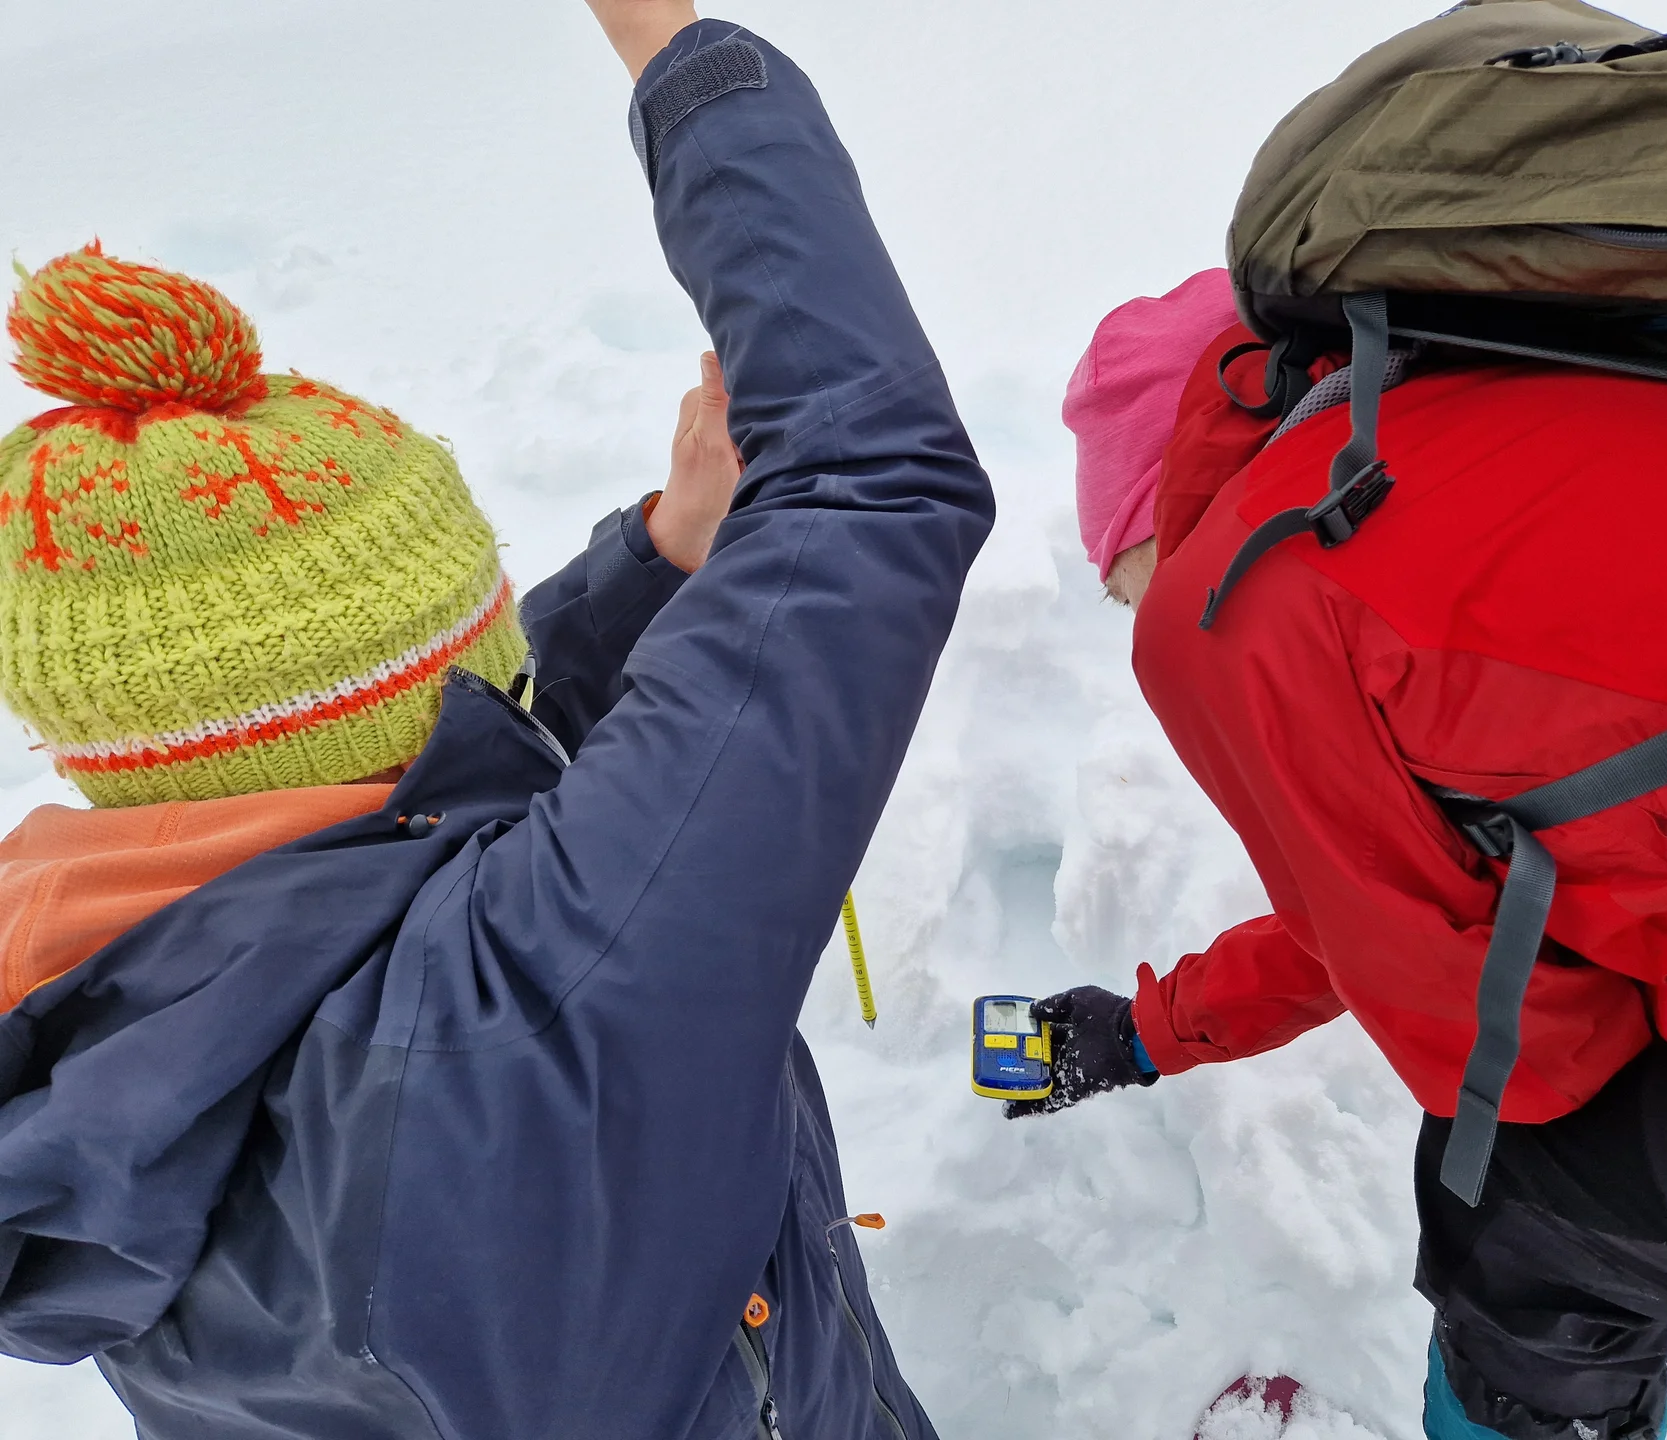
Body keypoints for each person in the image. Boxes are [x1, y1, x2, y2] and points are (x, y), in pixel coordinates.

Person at [0, 4, 992, 1437]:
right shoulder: (532, 995)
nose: (507, 675)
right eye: (474, 657)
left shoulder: (97, 1005)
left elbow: (411, 834)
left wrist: (656, 559)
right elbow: (874, 483)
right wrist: (681, 58)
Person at [1021, 267, 1667, 1439]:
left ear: (1152, 512)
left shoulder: (1249, 591)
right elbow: (1411, 905)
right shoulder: (1501, 419)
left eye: (1113, 575)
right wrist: (1150, 1031)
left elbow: (1513, 1050)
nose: (1123, 599)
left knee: (1509, 1195)